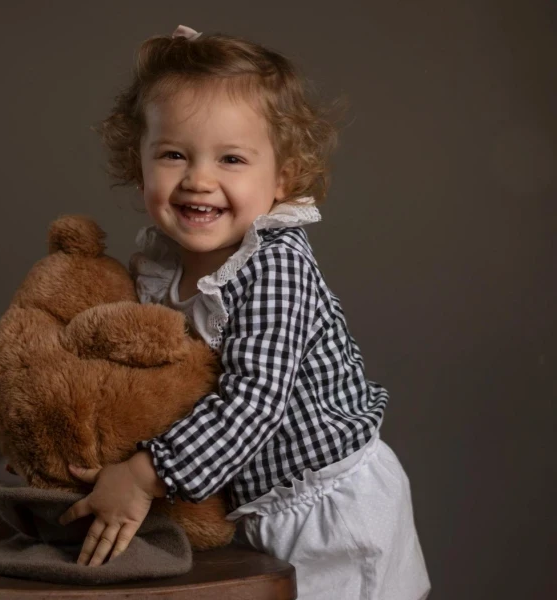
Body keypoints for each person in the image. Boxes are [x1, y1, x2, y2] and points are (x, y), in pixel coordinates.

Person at [57, 25, 431, 599]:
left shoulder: (274, 266)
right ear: (139, 162)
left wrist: (140, 476)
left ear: (283, 177)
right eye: (174, 154)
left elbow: (253, 400)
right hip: (245, 502)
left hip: (327, 509)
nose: (199, 180)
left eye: (232, 158)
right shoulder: (159, 264)